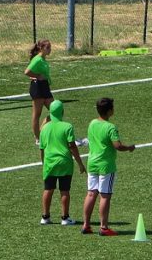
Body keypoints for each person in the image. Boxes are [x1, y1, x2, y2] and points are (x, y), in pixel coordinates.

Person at [82, 97, 136, 236]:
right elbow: (117, 146)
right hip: (106, 166)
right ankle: (104, 227)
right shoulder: (110, 127)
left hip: (92, 163)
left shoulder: (92, 123)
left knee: (91, 193)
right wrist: (129, 147)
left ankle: (86, 225)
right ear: (109, 111)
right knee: (105, 196)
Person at [39, 100, 86, 226]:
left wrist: (44, 163)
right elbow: (72, 147)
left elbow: (42, 149)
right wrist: (80, 164)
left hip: (50, 163)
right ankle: (65, 218)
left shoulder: (44, 128)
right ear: (62, 112)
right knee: (64, 190)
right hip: (65, 163)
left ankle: (45, 217)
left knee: (48, 189)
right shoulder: (67, 127)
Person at [25, 40, 54, 145]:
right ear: (41, 48)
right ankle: (38, 138)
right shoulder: (37, 59)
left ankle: (40, 132)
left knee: (56, 111)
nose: (50, 50)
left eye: (50, 47)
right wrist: (37, 76)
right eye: (48, 48)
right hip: (38, 87)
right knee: (37, 114)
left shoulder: (43, 59)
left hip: (45, 86)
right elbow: (27, 72)